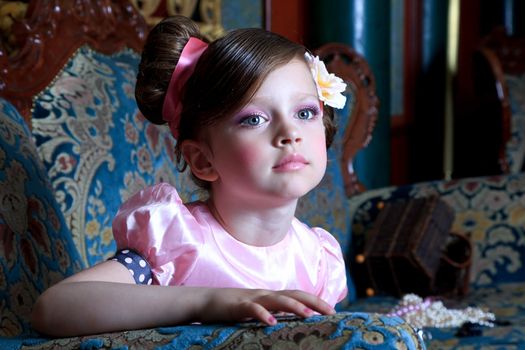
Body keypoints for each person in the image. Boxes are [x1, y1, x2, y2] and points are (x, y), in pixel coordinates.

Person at [31, 15, 349, 337]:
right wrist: (207, 300)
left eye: (305, 113)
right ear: (202, 159)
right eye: (254, 119)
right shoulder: (179, 243)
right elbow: (54, 307)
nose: (290, 133)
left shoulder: (318, 259)